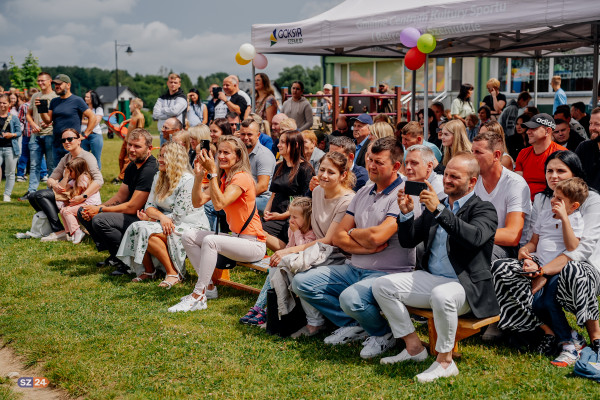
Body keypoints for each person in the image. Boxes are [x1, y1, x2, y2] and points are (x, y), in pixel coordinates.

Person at [373, 152, 499, 383]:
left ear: (472, 181)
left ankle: (445, 361)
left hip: (465, 285)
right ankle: (414, 348)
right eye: (447, 174)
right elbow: (409, 241)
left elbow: (473, 238)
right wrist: (406, 213)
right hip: (432, 278)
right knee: (382, 286)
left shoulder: (484, 209)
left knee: (442, 296)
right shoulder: (437, 206)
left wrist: (440, 211)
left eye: (455, 177)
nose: (448, 180)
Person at [292, 137, 416, 360]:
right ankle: (355, 325)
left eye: (379, 162)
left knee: (350, 298)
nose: (371, 165)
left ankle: (382, 334)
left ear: (396, 166)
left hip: (387, 273)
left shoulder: (403, 194)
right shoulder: (363, 192)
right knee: (302, 282)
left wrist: (353, 234)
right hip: (354, 266)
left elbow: (379, 236)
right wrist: (364, 244)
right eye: (369, 159)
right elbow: (339, 237)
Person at [492, 153, 594, 363]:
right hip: (538, 262)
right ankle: (559, 334)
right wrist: (525, 252)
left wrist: (565, 218)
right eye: (550, 171)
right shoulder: (544, 209)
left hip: (560, 267)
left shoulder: (575, 217)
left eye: (559, 199)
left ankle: (568, 343)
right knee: (534, 299)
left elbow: (574, 247)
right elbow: (533, 240)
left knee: (546, 301)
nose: (553, 202)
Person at [168, 136, 267, 312]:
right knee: (188, 236)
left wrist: (212, 173)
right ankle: (210, 288)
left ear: (238, 156)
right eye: (219, 152)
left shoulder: (242, 178)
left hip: (254, 244)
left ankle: (198, 295)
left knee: (210, 241)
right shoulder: (223, 179)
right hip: (236, 240)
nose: (221, 156)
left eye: (226, 152)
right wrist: (199, 177)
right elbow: (197, 202)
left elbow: (219, 203)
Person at [116, 142, 209, 287]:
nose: (159, 159)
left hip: (190, 225)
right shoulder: (159, 175)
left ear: (175, 159)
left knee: (149, 233)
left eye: (164, 156)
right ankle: (149, 270)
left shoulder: (187, 180)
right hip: (166, 220)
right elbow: (149, 206)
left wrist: (154, 218)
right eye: (160, 155)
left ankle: (173, 272)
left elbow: (179, 216)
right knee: (136, 226)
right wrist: (160, 217)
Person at [77, 128, 158, 274]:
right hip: (131, 212)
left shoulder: (150, 169)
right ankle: (115, 255)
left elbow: (133, 207)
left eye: (137, 146)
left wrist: (100, 210)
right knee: (83, 212)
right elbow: (120, 197)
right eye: (129, 145)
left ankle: (127, 261)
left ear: (149, 148)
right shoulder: (132, 166)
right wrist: (96, 208)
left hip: (144, 217)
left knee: (100, 220)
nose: (131, 149)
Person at [241, 197, 318, 327]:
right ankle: (258, 307)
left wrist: (297, 232)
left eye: (295, 217)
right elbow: (289, 247)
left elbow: (302, 250)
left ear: (307, 218)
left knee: (277, 274)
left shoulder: (311, 233)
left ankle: (269, 309)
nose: (291, 220)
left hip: (302, 266)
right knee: (272, 271)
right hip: (288, 264)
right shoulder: (292, 229)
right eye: (290, 216)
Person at [28, 128, 102, 241]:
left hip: (80, 196)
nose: (66, 142)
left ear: (79, 140)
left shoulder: (87, 157)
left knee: (40, 195)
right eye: (64, 140)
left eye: (70, 139)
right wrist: (54, 184)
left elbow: (99, 180)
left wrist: (83, 196)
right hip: (67, 192)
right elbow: (52, 178)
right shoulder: (66, 158)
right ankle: (50, 227)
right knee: (32, 196)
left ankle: (59, 231)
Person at [472, 130, 531, 260]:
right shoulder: (473, 179)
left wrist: (470, 233)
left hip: (511, 249)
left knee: (479, 253)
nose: (472, 157)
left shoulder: (515, 184)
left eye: (478, 152)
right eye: (472, 152)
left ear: (496, 155)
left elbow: (512, 236)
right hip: (480, 239)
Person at [263, 130, 314, 247]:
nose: (278, 145)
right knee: (251, 227)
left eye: (282, 142)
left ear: (295, 145)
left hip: (289, 218)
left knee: (258, 231)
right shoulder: (279, 166)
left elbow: (303, 203)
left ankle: (285, 252)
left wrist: (280, 216)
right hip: (274, 215)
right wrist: (267, 211)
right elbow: (273, 195)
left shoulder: (305, 169)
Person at [39, 74, 96, 165]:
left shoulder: (77, 100)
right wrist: (41, 109)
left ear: (68, 85)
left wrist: (85, 135)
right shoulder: (54, 101)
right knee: (59, 171)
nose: (56, 86)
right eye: (55, 84)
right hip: (57, 143)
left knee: (73, 171)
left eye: (59, 84)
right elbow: (47, 121)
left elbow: (92, 117)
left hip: (71, 143)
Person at [21, 72, 57, 200]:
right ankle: (31, 192)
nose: (40, 83)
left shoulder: (55, 96)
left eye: (43, 81)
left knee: (51, 165)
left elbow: (58, 115)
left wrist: (51, 122)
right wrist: (32, 125)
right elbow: (28, 114)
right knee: (34, 165)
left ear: (50, 81)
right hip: (35, 135)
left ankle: (50, 192)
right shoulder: (35, 96)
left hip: (50, 135)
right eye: (38, 81)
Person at [515, 113, 567, 200]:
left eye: (533, 128)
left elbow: (564, 188)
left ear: (548, 131)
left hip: (551, 202)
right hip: (524, 203)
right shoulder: (523, 153)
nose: (528, 131)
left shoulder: (562, 154)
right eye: (528, 128)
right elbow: (517, 184)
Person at [56, 157, 102, 244]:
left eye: (71, 171)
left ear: (77, 170)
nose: (69, 173)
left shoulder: (82, 178)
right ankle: (70, 233)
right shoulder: (75, 179)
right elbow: (62, 188)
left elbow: (77, 198)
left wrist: (69, 203)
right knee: (63, 210)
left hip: (90, 205)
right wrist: (65, 176)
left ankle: (77, 231)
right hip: (83, 203)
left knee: (67, 211)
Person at [238, 118, 276, 212]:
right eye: (243, 134)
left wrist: (235, 196)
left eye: (249, 134)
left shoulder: (264, 155)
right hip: (244, 194)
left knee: (211, 206)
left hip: (263, 199)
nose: (245, 138)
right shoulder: (239, 152)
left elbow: (262, 187)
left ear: (258, 135)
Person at [114, 98, 146, 184]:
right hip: (126, 140)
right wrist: (124, 122)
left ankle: (120, 177)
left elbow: (139, 131)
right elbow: (132, 120)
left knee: (127, 160)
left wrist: (134, 143)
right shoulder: (134, 115)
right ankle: (124, 175)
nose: (129, 106)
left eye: (131, 105)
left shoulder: (140, 117)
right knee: (121, 158)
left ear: (135, 105)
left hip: (132, 142)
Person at [152, 73, 187, 146]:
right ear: (167, 83)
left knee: (177, 156)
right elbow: (155, 113)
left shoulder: (182, 98)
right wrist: (171, 116)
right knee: (164, 155)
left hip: (177, 134)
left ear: (179, 84)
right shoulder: (162, 98)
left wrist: (163, 109)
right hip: (163, 134)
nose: (173, 84)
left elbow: (175, 111)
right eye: (171, 82)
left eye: (175, 82)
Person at [0, 94, 23, 202]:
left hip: (10, 148)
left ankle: (7, 194)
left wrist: (11, 135)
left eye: (4, 103)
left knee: (10, 172)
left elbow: (19, 132)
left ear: (9, 104)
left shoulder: (13, 118)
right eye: (0, 103)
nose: (2, 105)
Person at [575, 107, 600, 191]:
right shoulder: (584, 146)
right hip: (584, 198)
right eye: (590, 124)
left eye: (597, 124)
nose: (592, 128)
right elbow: (574, 175)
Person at [80, 90, 104, 169]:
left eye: (87, 97)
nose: (85, 98)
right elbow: (92, 121)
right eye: (85, 96)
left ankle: (97, 179)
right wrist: (90, 120)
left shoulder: (98, 109)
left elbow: (96, 122)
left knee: (96, 158)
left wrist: (82, 121)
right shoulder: (83, 109)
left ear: (92, 98)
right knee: (83, 158)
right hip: (83, 135)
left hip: (95, 135)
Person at [16, 93, 32, 183]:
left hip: (26, 133)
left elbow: (20, 119)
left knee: (24, 155)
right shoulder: (39, 104)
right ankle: (43, 174)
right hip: (35, 134)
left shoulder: (24, 106)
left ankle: (20, 174)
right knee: (40, 156)